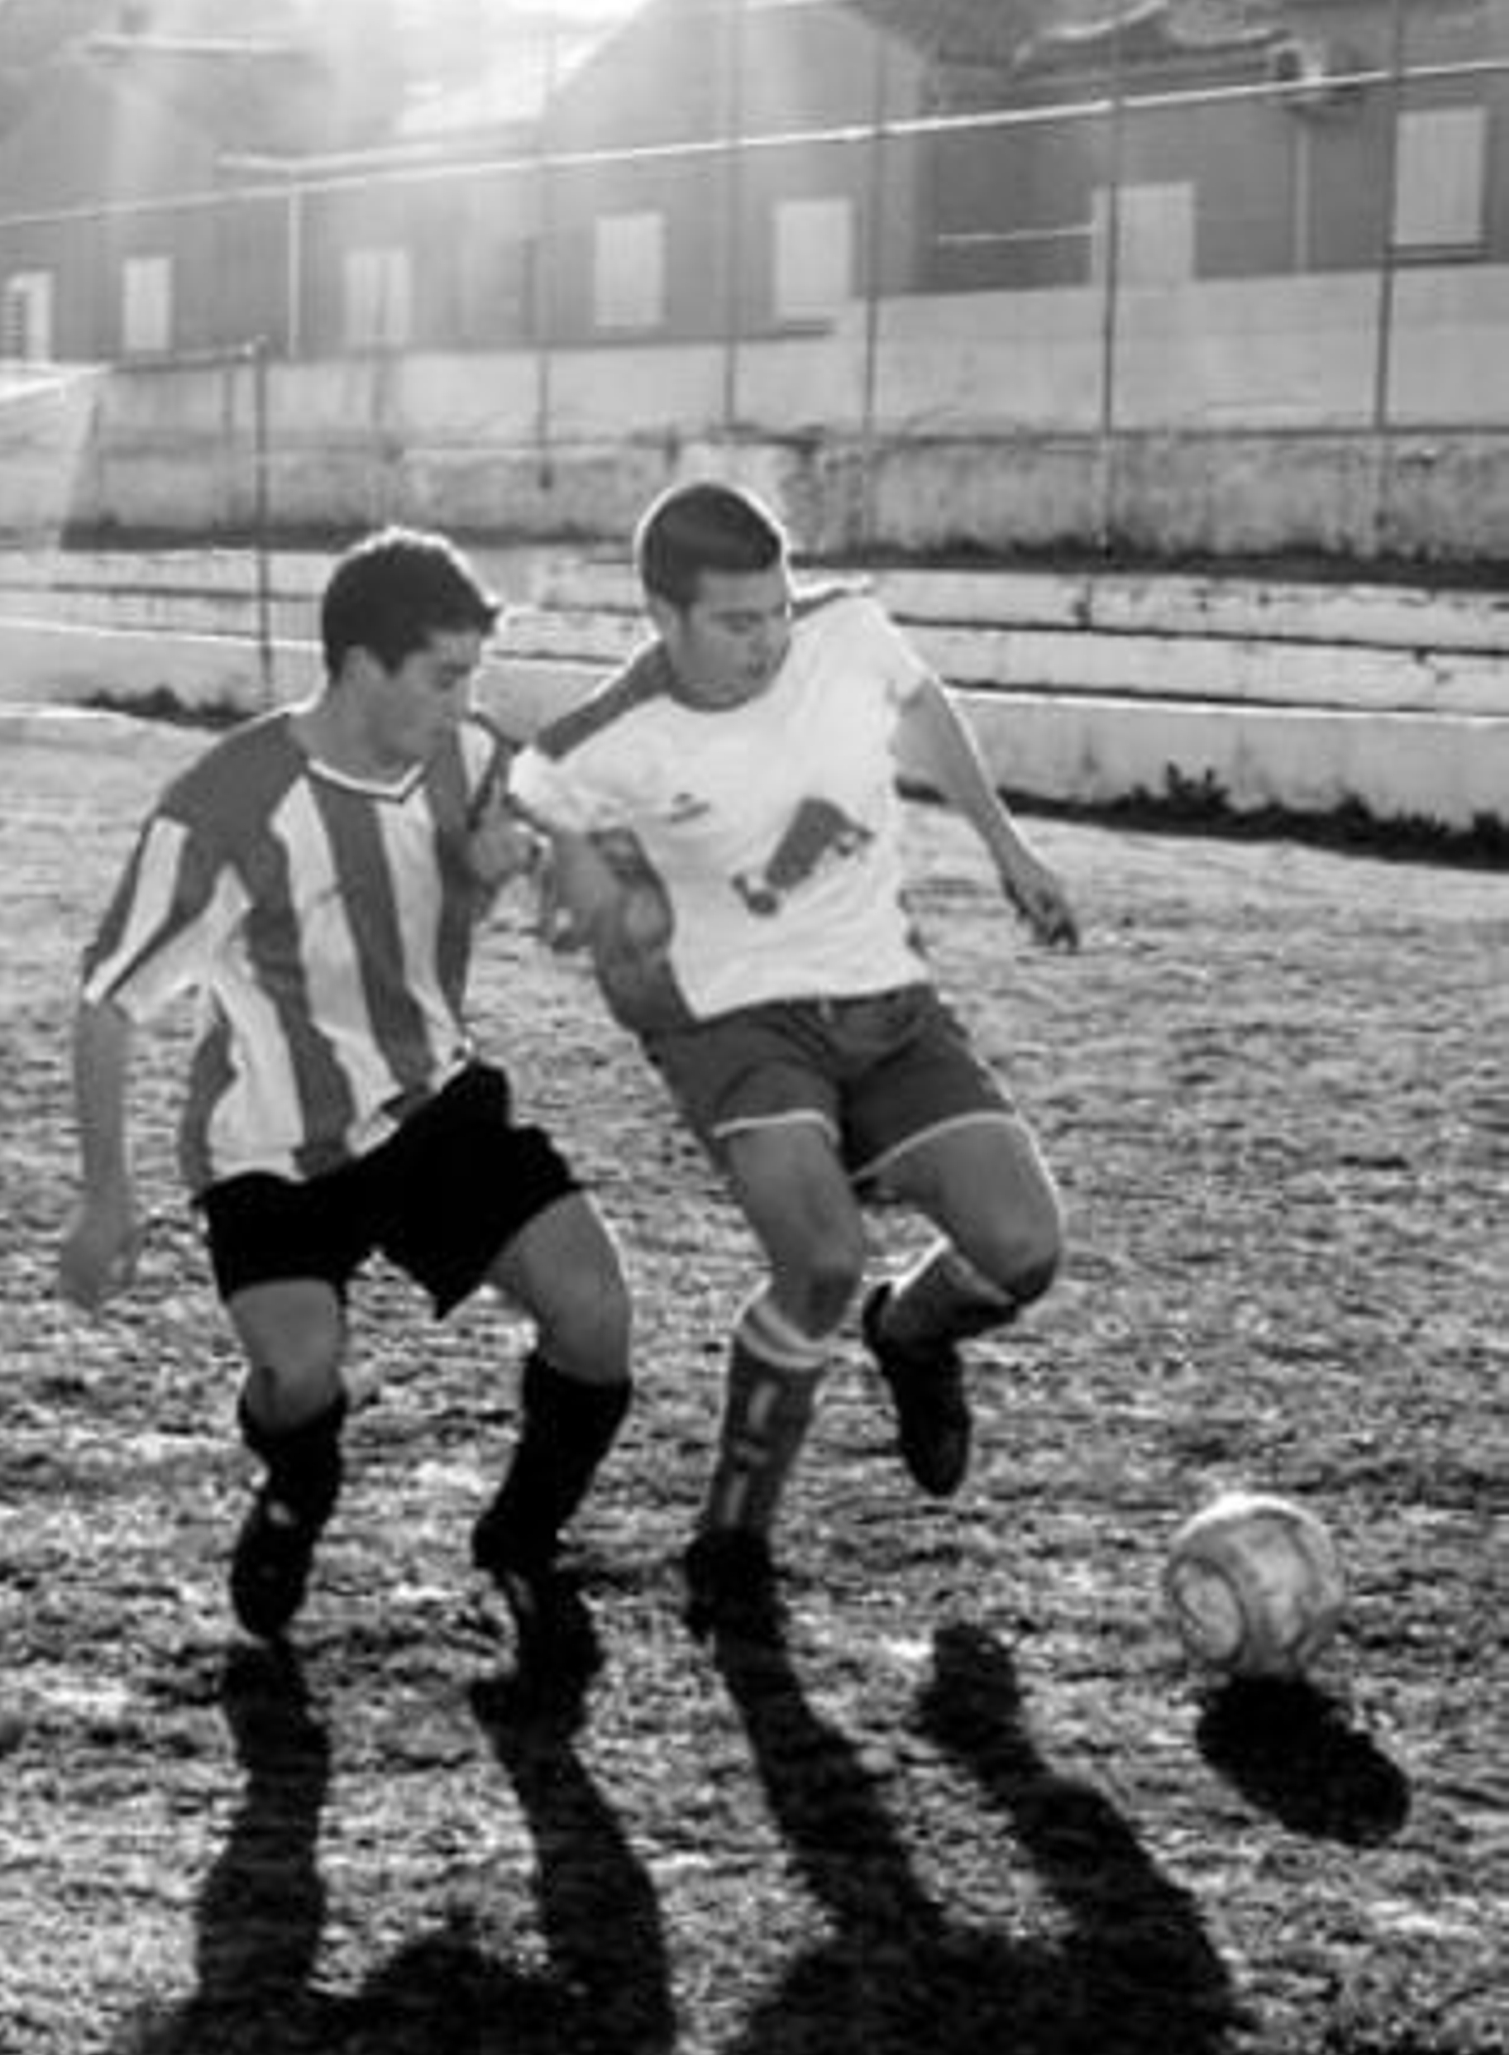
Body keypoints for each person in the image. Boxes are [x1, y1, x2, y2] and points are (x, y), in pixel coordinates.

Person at [58, 526, 632, 1699]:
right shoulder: (224, 807)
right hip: (269, 1143)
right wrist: (105, 1197)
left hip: (434, 1105)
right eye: (445, 674)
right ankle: (297, 1480)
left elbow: (556, 825)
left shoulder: (463, 751)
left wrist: (532, 865)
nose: (467, 700)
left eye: (473, 674)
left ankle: (520, 1543)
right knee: (301, 1373)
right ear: (363, 667)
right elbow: (109, 1006)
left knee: (597, 1313)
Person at [510, 481, 1077, 1639]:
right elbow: (536, 821)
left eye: (774, 609)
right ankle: (732, 1536)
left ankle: (910, 1331)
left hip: (886, 999)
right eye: (734, 622)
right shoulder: (599, 742)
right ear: (662, 617)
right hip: (734, 1023)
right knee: (816, 1256)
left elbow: (923, 712)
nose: (767, 639)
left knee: (1023, 1250)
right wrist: (578, 889)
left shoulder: (848, 630)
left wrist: (1008, 847)